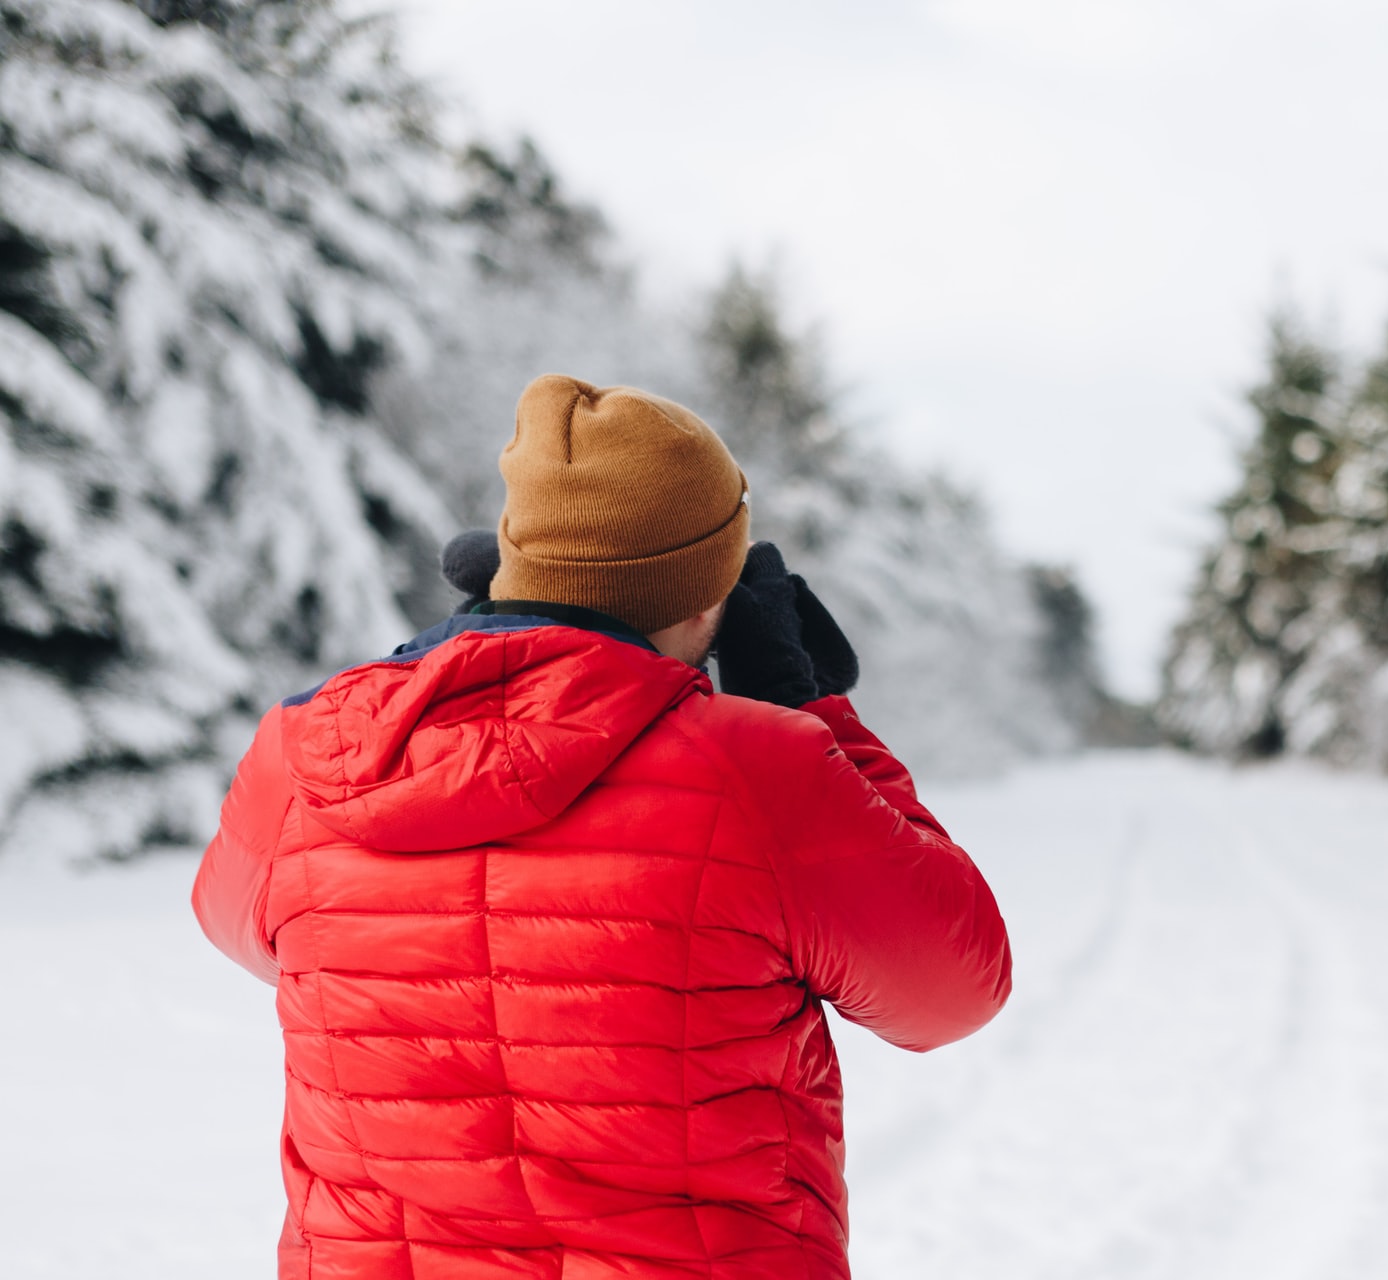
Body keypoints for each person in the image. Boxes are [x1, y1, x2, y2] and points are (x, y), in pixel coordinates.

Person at [192, 374, 1012, 1280]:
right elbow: (953, 985)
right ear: (712, 599)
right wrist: (817, 713)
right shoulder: (760, 770)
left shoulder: (309, 750)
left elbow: (252, 929)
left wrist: (450, 662)